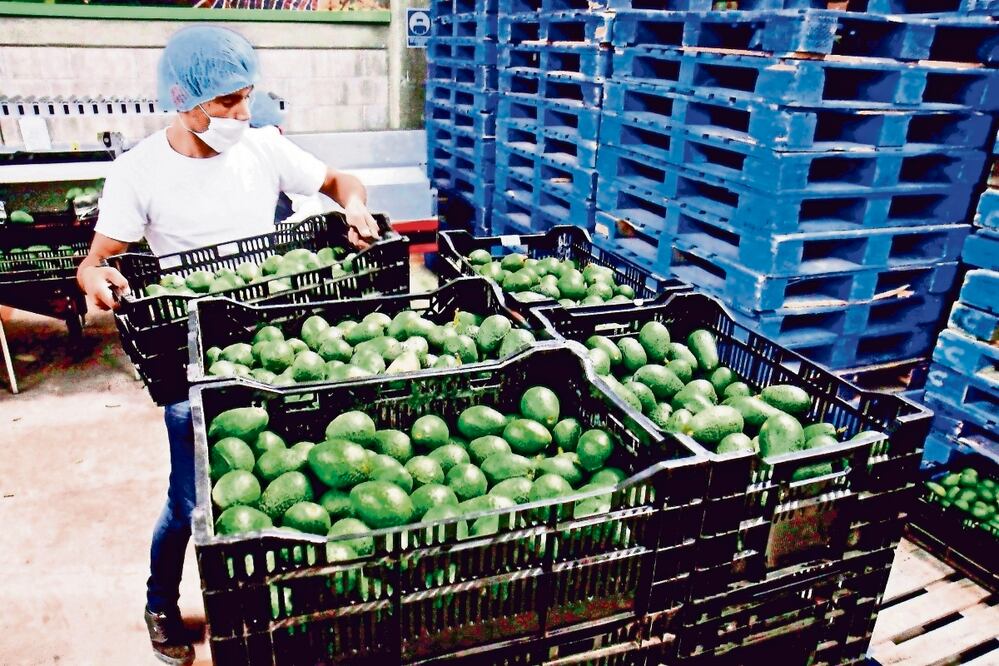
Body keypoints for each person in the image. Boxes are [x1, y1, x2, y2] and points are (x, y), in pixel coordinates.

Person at [75, 25, 379, 665]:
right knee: (192, 503)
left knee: (286, 483)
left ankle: (284, 607)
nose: (243, 113)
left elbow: (340, 181)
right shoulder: (138, 172)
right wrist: (98, 279)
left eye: (247, 96)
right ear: (183, 100)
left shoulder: (263, 146)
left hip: (279, 344)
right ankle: (160, 602)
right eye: (227, 102)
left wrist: (355, 207)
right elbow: (96, 262)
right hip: (191, 354)